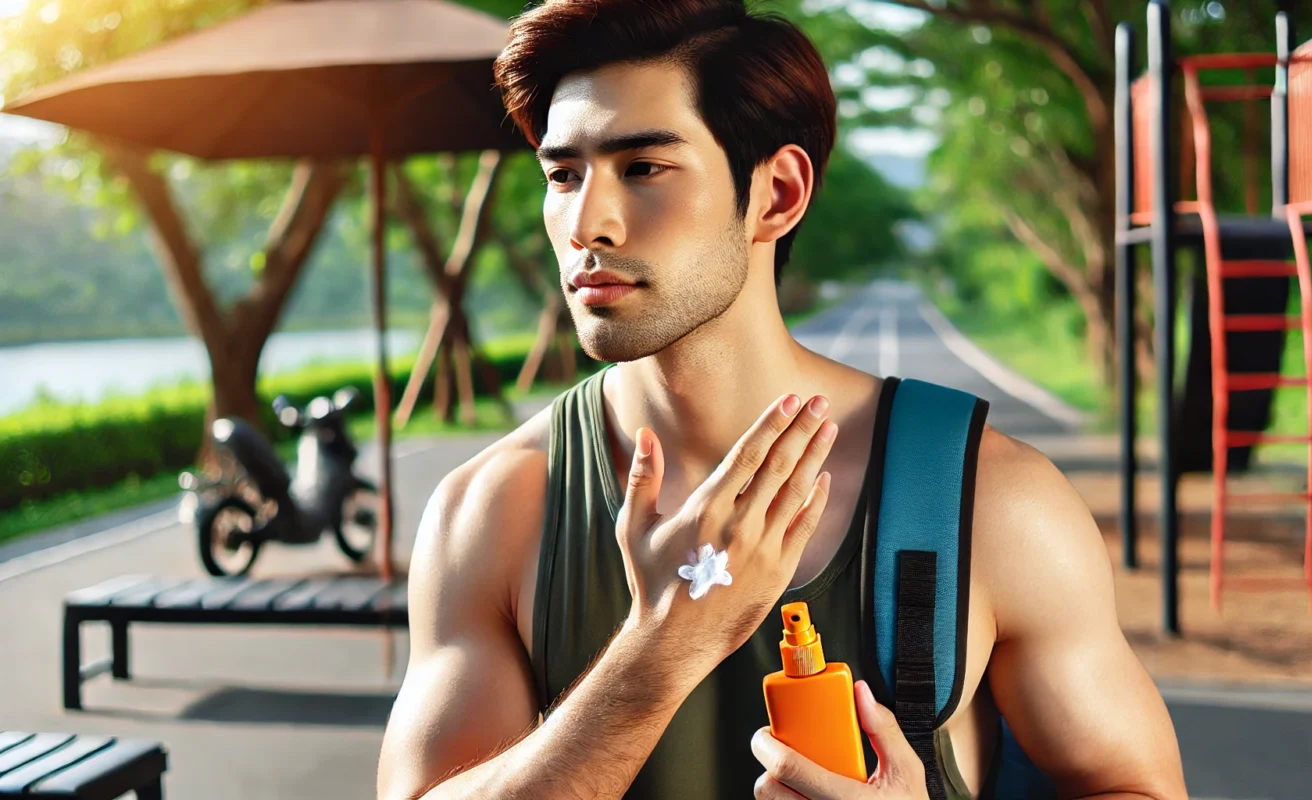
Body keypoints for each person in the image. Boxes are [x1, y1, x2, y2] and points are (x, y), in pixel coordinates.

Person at [377, 1, 1187, 798]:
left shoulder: (990, 501)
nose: (588, 221)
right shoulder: (493, 511)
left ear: (777, 194)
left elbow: (1135, 786)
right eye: (563, 174)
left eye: (644, 168)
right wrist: (659, 652)